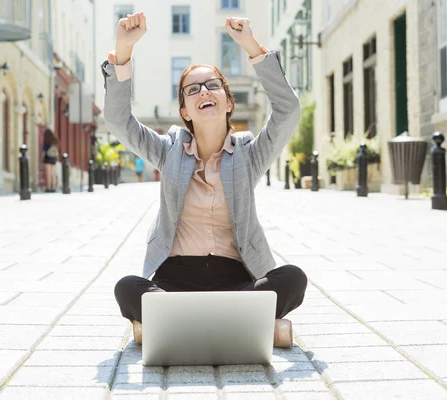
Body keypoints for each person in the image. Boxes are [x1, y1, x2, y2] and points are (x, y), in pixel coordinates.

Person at [103, 12, 307, 348]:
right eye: (192, 89)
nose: (204, 92)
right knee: (127, 287)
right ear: (184, 110)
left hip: (236, 283)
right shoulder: (168, 151)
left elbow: (288, 111)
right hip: (174, 283)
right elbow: (119, 120)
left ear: (228, 102)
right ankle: (245, 327)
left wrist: (251, 48)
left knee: (293, 278)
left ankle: (169, 327)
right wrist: (123, 51)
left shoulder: (249, 155)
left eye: (213, 85)